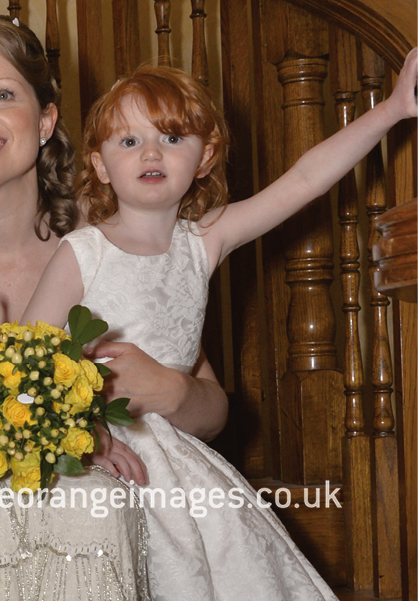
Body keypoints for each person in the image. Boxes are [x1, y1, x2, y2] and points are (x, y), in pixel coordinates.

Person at [21, 51, 418, 599]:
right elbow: (25, 360)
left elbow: (305, 180)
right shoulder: (82, 253)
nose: (152, 153)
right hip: (99, 449)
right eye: (129, 141)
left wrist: (394, 109)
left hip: (178, 456)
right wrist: (83, 434)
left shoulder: (204, 240)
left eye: (172, 138)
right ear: (98, 163)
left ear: (204, 158)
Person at [0, 15, 223, 600]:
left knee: (92, 502)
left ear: (46, 120)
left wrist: (173, 390)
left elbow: (211, 411)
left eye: (2, 95)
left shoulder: (113, 240)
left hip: (124, 513)